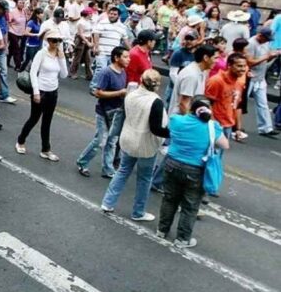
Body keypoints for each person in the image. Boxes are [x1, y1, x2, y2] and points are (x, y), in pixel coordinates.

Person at [157, 96, 229, 248]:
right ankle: (182, 239)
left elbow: (170, 131)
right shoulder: (212, 127)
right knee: (190, 206)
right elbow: (224, 144)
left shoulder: (176, 120)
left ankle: (162, 230)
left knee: (169, 199)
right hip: (195, 169)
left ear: (191, 108)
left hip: (171, 164)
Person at [101, 70, 168, 221]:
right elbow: (156, 128)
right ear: (157, 85)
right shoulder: (155, 102)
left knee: (122, 171)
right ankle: (138, 212)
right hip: (145, 145)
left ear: (141, 80)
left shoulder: (130, 95)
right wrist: (172, 134)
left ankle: (107, 202)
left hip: (128, 139)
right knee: (144, 179)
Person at [76, 46, 129, 178]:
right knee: (100, 141)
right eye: (125, 57)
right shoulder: (106, 72)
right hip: (104, 112)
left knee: (112, 141)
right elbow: (98, 92)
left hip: (116, 112)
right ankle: (82, 162)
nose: (129, 59)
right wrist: (119, 93)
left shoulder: (123, 72)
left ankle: (108, 169)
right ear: (116, 58)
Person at [15, 28, 67, 161]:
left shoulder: (59, 55)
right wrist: (36, 92)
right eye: (54, 40)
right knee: (34, 118)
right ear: (48, 41)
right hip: (41, 90)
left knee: (47, 121)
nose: (57, 43)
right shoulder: (41, 53)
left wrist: (61, 58)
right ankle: (20, 140)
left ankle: (45, 149)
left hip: (53, 91)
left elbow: (64, 74)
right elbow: (33, 72)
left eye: (59, 40)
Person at [205, 52, 248, 142]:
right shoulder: (216, 81)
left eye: (244, 66)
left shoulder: (239, 83)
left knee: (219, 154)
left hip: (228, 125)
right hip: (215, 125)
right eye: (239, 66)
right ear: (229, 65)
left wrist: (238, 129)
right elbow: (207, 104)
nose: (243, 69)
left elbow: (236, 106)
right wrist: (213, 125)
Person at [245, 27, 279, 137]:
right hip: (249, 77)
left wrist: (272, 56)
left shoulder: (265, 43)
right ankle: (233, 125)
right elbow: (249, 62)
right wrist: (266, 57)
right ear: (260, 35)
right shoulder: (251, 43)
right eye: (266, 39)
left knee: (263, 104)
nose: (267, 41)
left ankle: (266, 128)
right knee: (241, 103)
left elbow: (266, 58)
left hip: (260, 77)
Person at [90, 6, 129, 92]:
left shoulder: (122, 27)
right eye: (111, 14)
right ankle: (94, 87)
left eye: (114, 14)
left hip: (114, 54)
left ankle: (105, 87)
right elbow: (96, 34)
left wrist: (131, 50)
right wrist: (96, 47)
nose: (112, 15)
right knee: (101, 68)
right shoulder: (102, 23)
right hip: (102, 51)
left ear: (118, 16)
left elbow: (125, 40)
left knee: (111, 71)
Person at [20, 7, 43, 72]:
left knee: (35, 60)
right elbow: (25, 33)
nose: (42, 15)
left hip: (38, 44)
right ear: (37, 14)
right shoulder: (31, 22)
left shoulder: (41, 22)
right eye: (41, 13)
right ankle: (21, 70)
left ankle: (32, 72)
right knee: (28, 59)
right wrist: (36, 34)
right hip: (31, 44)